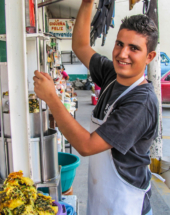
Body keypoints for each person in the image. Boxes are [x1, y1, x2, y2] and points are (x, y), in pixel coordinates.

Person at [33, 1, 158, 214]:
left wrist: (52, 99)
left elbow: (87, 146)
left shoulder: (141, 103)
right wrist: (87, 3)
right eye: (120, 44)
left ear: (149, 57)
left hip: (126, 204)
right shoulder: (112, 74)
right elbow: (81, 45)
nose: (122, 54)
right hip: (102, 199)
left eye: (134, 48)